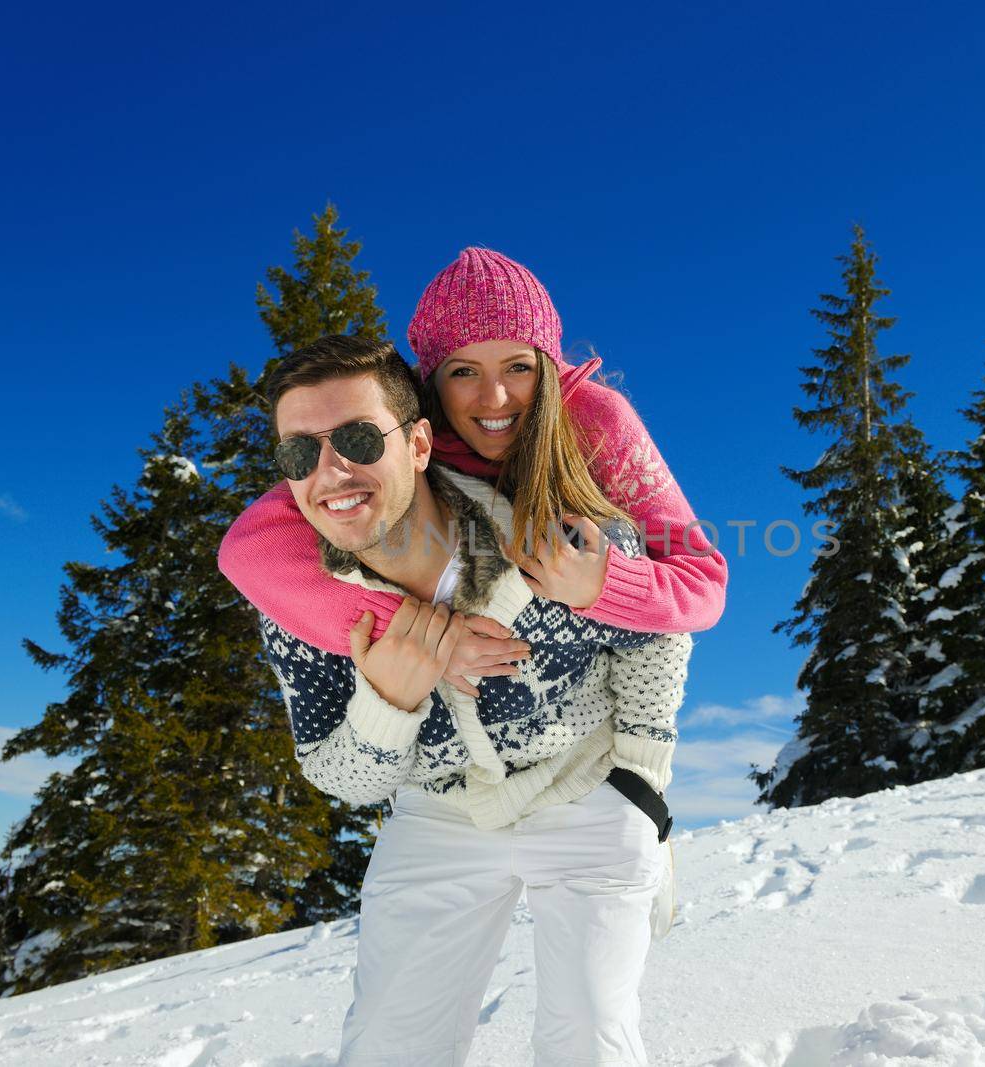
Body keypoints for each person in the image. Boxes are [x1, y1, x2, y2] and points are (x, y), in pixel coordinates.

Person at [251, 333, 693, 1066]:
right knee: (389, 1044)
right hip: (438, 810)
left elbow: (655, 632)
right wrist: (387, 705)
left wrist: (642, 781)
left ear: (420, 442)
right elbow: (337, 772)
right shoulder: (300, 602)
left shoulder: (550, 530)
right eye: (300, 453)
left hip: (582, 786)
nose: (331, 471)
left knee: (589, 1036)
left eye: (359, 438)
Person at [218, 247, 727, 688]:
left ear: (547, 369)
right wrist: (422, 638)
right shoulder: (397, 435)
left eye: (518, 367)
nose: (495, 398)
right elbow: (250, 547)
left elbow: (702, 583)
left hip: (580, 659)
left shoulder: (594, 422)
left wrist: (603, 586)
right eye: (464, 372)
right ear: (431, 381)